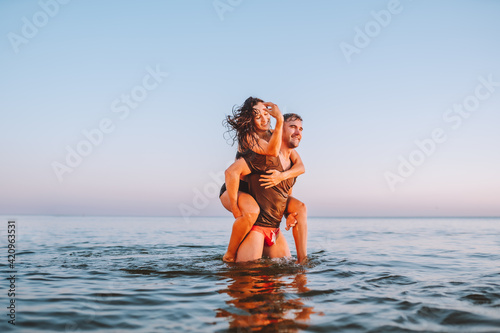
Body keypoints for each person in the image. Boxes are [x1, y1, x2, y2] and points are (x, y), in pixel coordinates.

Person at [219, 97, 307, 262]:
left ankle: (303, 261)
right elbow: (271, 152)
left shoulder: (274, 136)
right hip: (238, 188)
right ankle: (229, 254)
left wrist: (287, 210)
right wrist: (236, 209)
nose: (264, 119)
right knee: (251, 211)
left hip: (260, 202)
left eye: (266, 113)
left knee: (300, 207)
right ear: (250, 119)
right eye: (257, 115)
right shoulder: (249, 138)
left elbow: (300, 166)